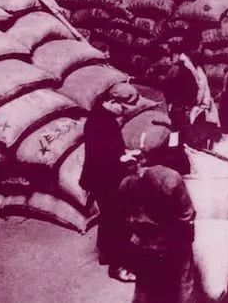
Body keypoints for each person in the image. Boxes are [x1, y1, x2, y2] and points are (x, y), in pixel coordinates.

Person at [120, 161, 198, 303]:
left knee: (144, 286)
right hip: (171, 243)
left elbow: (127, 216)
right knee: (182, 283)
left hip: (144, 243)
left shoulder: (128, 182)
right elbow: (187, 215)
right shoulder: (171, 178)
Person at [79, 91, 135, 282]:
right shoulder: (101, 123)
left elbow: (109, 147)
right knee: (117, 219)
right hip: (103, 178)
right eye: (122, 107)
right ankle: (118, 267)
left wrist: (124, 152)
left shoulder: (100, 117)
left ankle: (105, 253)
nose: (124, 111)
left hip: (98, 178)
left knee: (107, 215)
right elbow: (101, 156)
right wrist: (122, 158)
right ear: (111, 102)